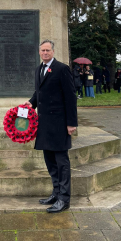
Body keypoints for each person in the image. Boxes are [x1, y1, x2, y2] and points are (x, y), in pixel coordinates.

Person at [26, 39, 77, 214]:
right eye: (43, 50)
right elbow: (38, 92)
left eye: (48, 50)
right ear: (39, 52)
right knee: (50, 160)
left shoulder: (62, 69)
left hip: (60, 124)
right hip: (44, 124)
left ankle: (64, 199)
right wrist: (30, 104)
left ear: (53, 52)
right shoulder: (39, 69)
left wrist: (71, 123)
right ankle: (56, 193)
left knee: (61, 162)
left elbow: (70, 97)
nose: (45, 53)